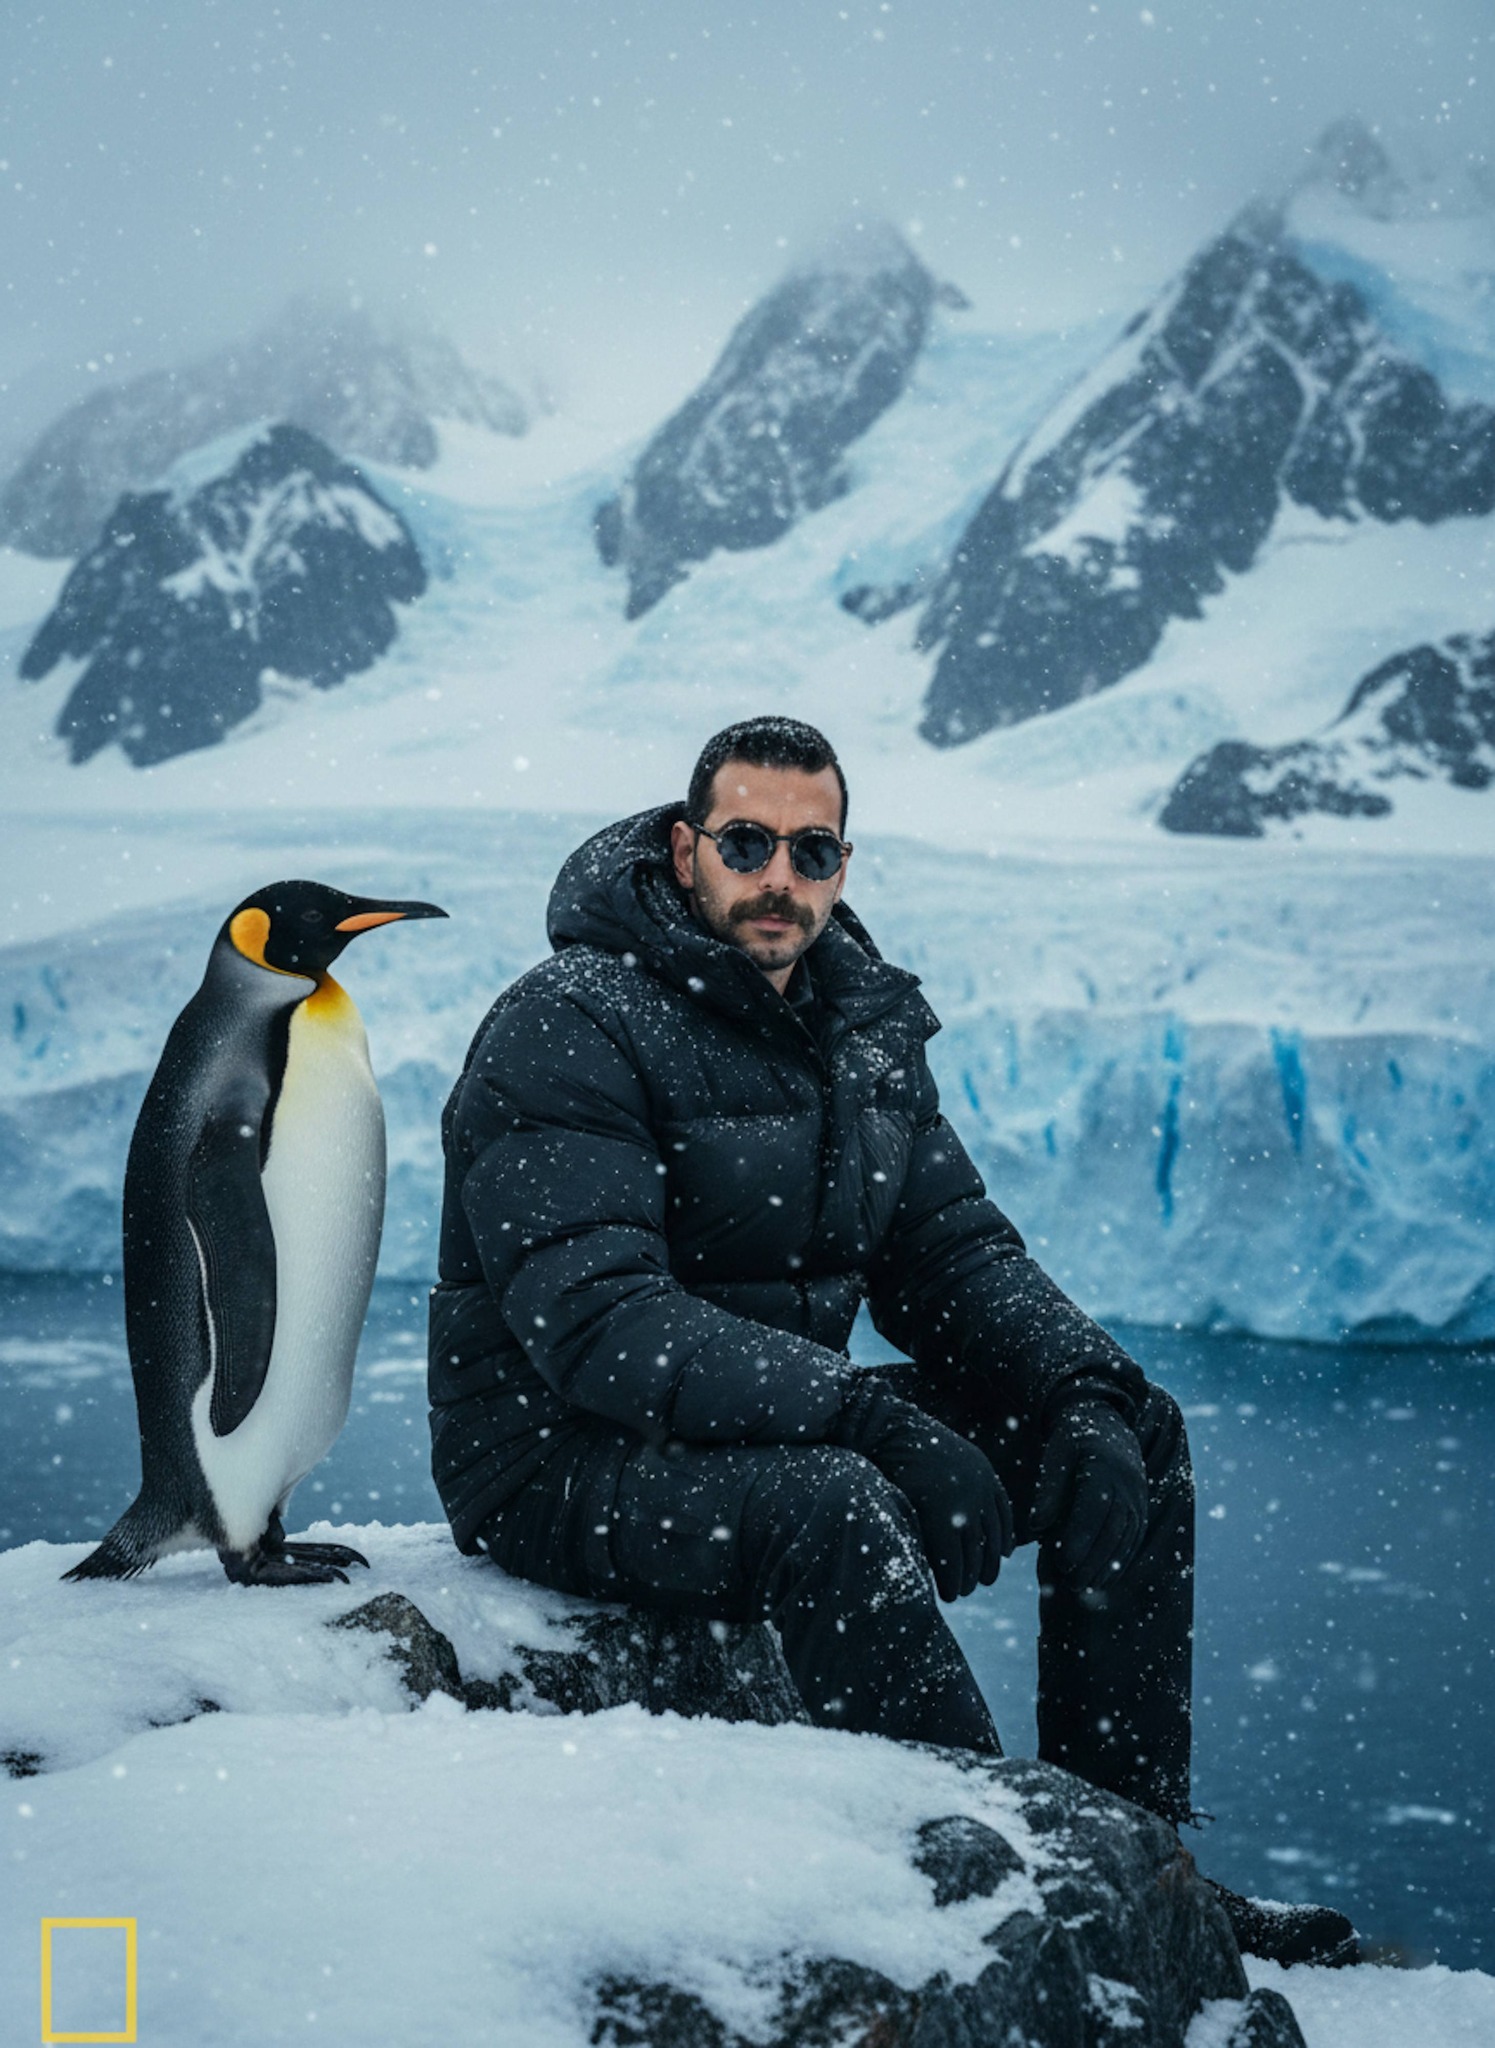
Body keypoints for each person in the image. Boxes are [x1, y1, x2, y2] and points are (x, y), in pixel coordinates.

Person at [428, 715, 1358, 1968]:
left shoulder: (856, 1024)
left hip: (762, 1421)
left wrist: (1079, 1388)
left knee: (1130, 1432)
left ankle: (1134, 1860)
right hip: (558, 1458)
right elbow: (600, 1322)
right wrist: (868, 1416)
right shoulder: (570, 1020)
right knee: (837, 1504)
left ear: (843, 867)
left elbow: (953, 1256)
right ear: (682, 845)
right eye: (747, 842)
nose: (780, 878)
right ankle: (1014, 1885)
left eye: (812, 851)